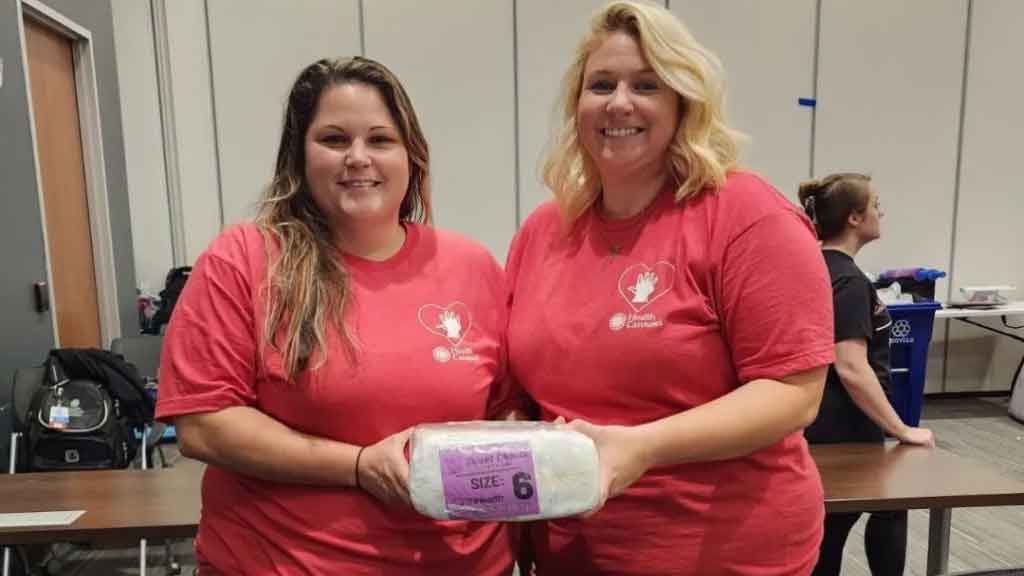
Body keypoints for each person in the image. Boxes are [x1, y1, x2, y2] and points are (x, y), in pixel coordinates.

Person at [505, 2, 836, 574]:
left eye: (647, 85)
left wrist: (642, 446)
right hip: (573, 549)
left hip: (723, 551)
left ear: (684, 103)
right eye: (601, 84)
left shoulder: (746, 215)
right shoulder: (544, 231)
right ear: (577, 105)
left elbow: (793, 392)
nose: (619, 103)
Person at [155, 57, 519, 575]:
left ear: (412, 155)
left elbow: (505, 406)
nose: (357, 157)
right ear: (299, 157)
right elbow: (205, 426)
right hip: (285, 562)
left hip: (463, 561)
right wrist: (358, 466)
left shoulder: (472, 266)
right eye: (333, 139)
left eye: (380, 139)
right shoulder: (243, 260)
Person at [800, 172, 935, 576]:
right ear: (855, 218)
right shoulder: (847, 280)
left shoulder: (817, 267)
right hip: (842, 429)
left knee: (882, 510)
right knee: (838, 529)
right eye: (875, 205)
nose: (881, 213)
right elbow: (851, 365)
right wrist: (902, 429)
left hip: (827, 425)